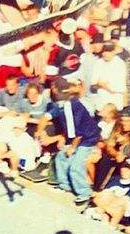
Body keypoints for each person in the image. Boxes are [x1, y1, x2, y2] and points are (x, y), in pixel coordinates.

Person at [37, 77, 100, 205]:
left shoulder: (71, 107)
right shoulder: (60, 104)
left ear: (56, 90)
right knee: (61, 157)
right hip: (76, 138)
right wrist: (40, 132)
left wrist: (72, 148)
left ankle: (84, 192)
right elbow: (46, 117)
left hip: (87, 139)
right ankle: (65, 185)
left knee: (75, 165)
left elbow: (78, 134)